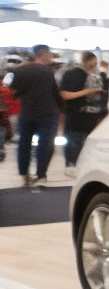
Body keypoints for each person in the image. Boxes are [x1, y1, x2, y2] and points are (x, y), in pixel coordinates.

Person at [9, 45, 61, 189]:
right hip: (47, 113)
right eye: (50, 54)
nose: (51, 57)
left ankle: (24, 175)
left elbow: (14, 92)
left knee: (24, 144)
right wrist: (61, 109)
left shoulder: (20, 70)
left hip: (27, 113)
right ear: (42, 54)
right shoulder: (48, 72)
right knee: (45, 144)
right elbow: (55, 92)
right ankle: (41, 175)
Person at [59, 51, 107, 176]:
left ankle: (79, 167)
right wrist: (87, 92)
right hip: (77, 118)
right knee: (74, 145)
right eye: (91, 62)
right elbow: (65, 95)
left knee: (85, 146)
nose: (94, 64)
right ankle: (72, 165)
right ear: (84, 61)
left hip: (92, 118)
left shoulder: (97, 75)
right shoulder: (72, 75)